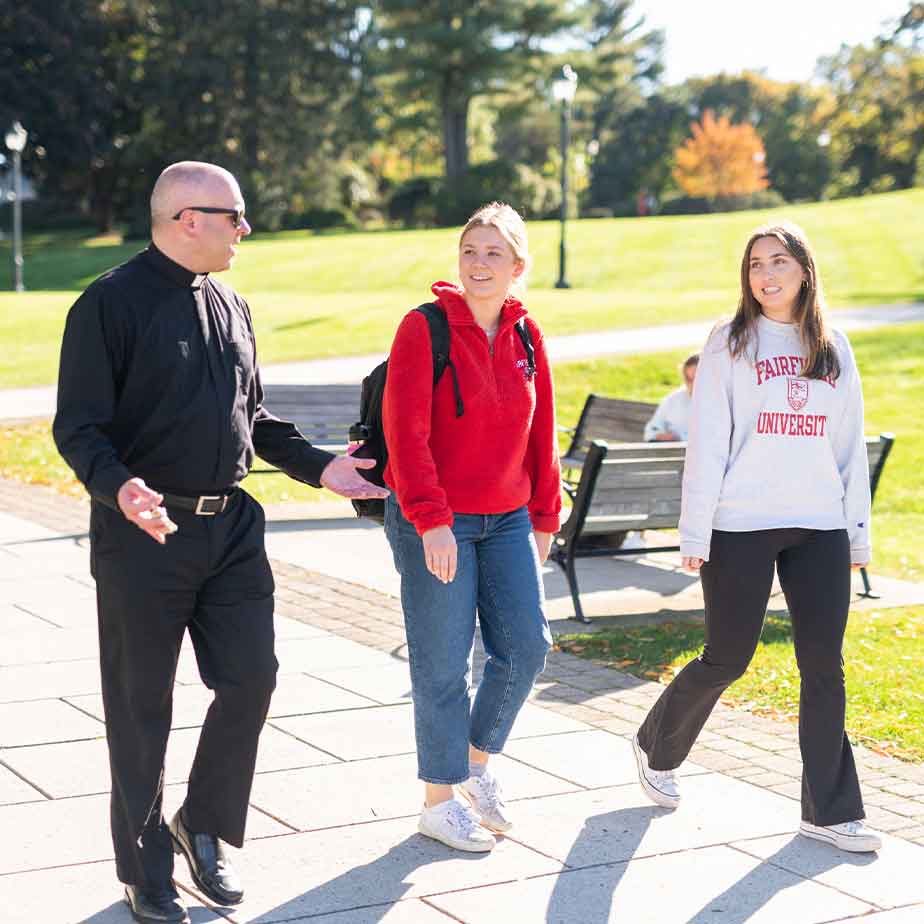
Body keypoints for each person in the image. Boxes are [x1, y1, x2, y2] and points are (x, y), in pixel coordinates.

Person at [53, 161, 387, 924]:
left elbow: (254, 417)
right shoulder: (106, 305)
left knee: (251, 680)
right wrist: (120, 489)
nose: (246, 227)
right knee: (142, 707)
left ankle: (201, 823)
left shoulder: (232, 304)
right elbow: (78, 427)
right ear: (185, 220)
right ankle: (145, 870)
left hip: (231, 529)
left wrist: (321, 467)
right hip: (145, 532)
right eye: (234, 214)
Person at [631, 221, 882, 854]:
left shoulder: (833, 347)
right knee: (729, 656)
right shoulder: (730, 341)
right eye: (754, 265)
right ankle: (654, 743)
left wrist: (857, 537)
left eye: (778, 261)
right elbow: (709, 439)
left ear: (804, 269)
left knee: (824, 666)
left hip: (820, 523)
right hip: (740, 522)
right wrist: (695, 528)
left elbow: (848, 448)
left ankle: (827, 811)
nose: (765, 274)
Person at [381, 202, 560, 852]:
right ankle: (438, 800)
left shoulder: (527, 336)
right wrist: (430, 520)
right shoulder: (422, 329)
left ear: (518, 267)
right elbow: (406, 435)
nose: (479, 264)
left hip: (509, 517)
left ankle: (476, 767)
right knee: (442, 663)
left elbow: (541, 433)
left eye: (493, 254)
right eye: (470, 250)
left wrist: (545, 514)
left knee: (527, 649)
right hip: (437, 518)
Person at [643, 353, 699, 442]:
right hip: (673, 452)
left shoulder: (718, 401)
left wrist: (681, 438)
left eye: (697, 379)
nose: (692, 385)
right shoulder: (673, 399)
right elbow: (651, 432)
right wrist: (660, 436)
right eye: (688, 379)